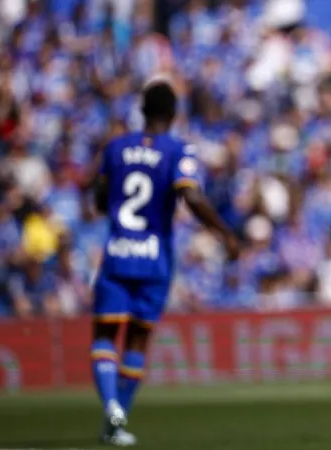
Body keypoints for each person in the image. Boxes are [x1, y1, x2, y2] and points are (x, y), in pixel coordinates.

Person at [87, 77, 240, 446]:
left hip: (118, 254)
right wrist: (224, 232)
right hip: (154, 259)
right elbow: (191, 196)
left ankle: (110, 407)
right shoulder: (177, 150)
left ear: (142, 111)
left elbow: (98, 198)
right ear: (173, 113)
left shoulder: (115, 148)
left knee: (105, 335)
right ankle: (119, 416)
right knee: (137, 340)